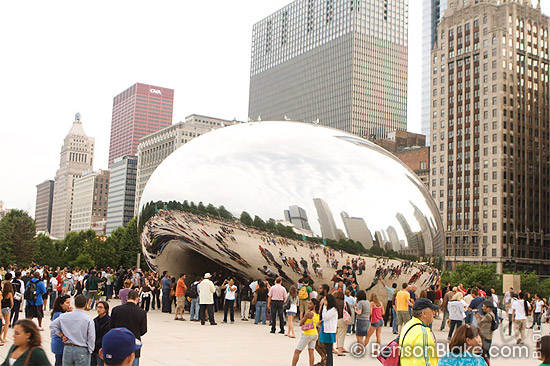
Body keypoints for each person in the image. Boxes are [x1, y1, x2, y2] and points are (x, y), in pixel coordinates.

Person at [50, 294, 95, 366]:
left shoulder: (64, 316)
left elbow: (52, 326)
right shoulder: (88, 319)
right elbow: (91, 337)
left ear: (74, 304)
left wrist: (61, 335)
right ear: (86, 304)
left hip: (68, 347)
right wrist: (90, 350)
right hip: (82, 348)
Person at [110, 290, 147, 366]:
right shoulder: (141, 312)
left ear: (127, 298)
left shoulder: (116, 310)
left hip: (118, 343)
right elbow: (143, 330)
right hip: (133, 344)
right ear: (137, 298)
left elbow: (111, 327)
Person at [398, 298, 438, 366]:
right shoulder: (422, 332)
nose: (434, 313)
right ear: (424, 313)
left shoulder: (409, 325)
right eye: (432, 310)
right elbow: (421, 362)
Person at [291, 298, 319, 366]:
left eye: (310, 304)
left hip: (307, 334)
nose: (309, 305)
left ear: (314, 305)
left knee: (297, 351)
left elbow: (301, 323)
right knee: (311, 352)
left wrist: (305, 315)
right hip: (314, 333)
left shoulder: (309, 313)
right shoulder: (317, 314)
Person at [50, 294, 72, 366]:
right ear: (61, 304)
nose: (69, 305)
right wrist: (62, 335)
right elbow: (54, 328)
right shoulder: (59, 315)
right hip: (60, 343)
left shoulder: (60, 314)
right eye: (67, 303)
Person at [319, 294, 338, 366]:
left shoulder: (333, 309)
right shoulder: (328, 309)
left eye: (325, 300)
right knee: (327, 350)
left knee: (329, 351)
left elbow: (325, 317)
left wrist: (324, 306)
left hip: (329, 331)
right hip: (326, 330)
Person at [92, 301, 111, 366]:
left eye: (100, 307)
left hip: (102, 349)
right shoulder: (95, 320)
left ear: (106, 309)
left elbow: (106, 335)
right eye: (97, 307)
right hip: (93, 349)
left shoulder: (109, 321)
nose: (98, 309)